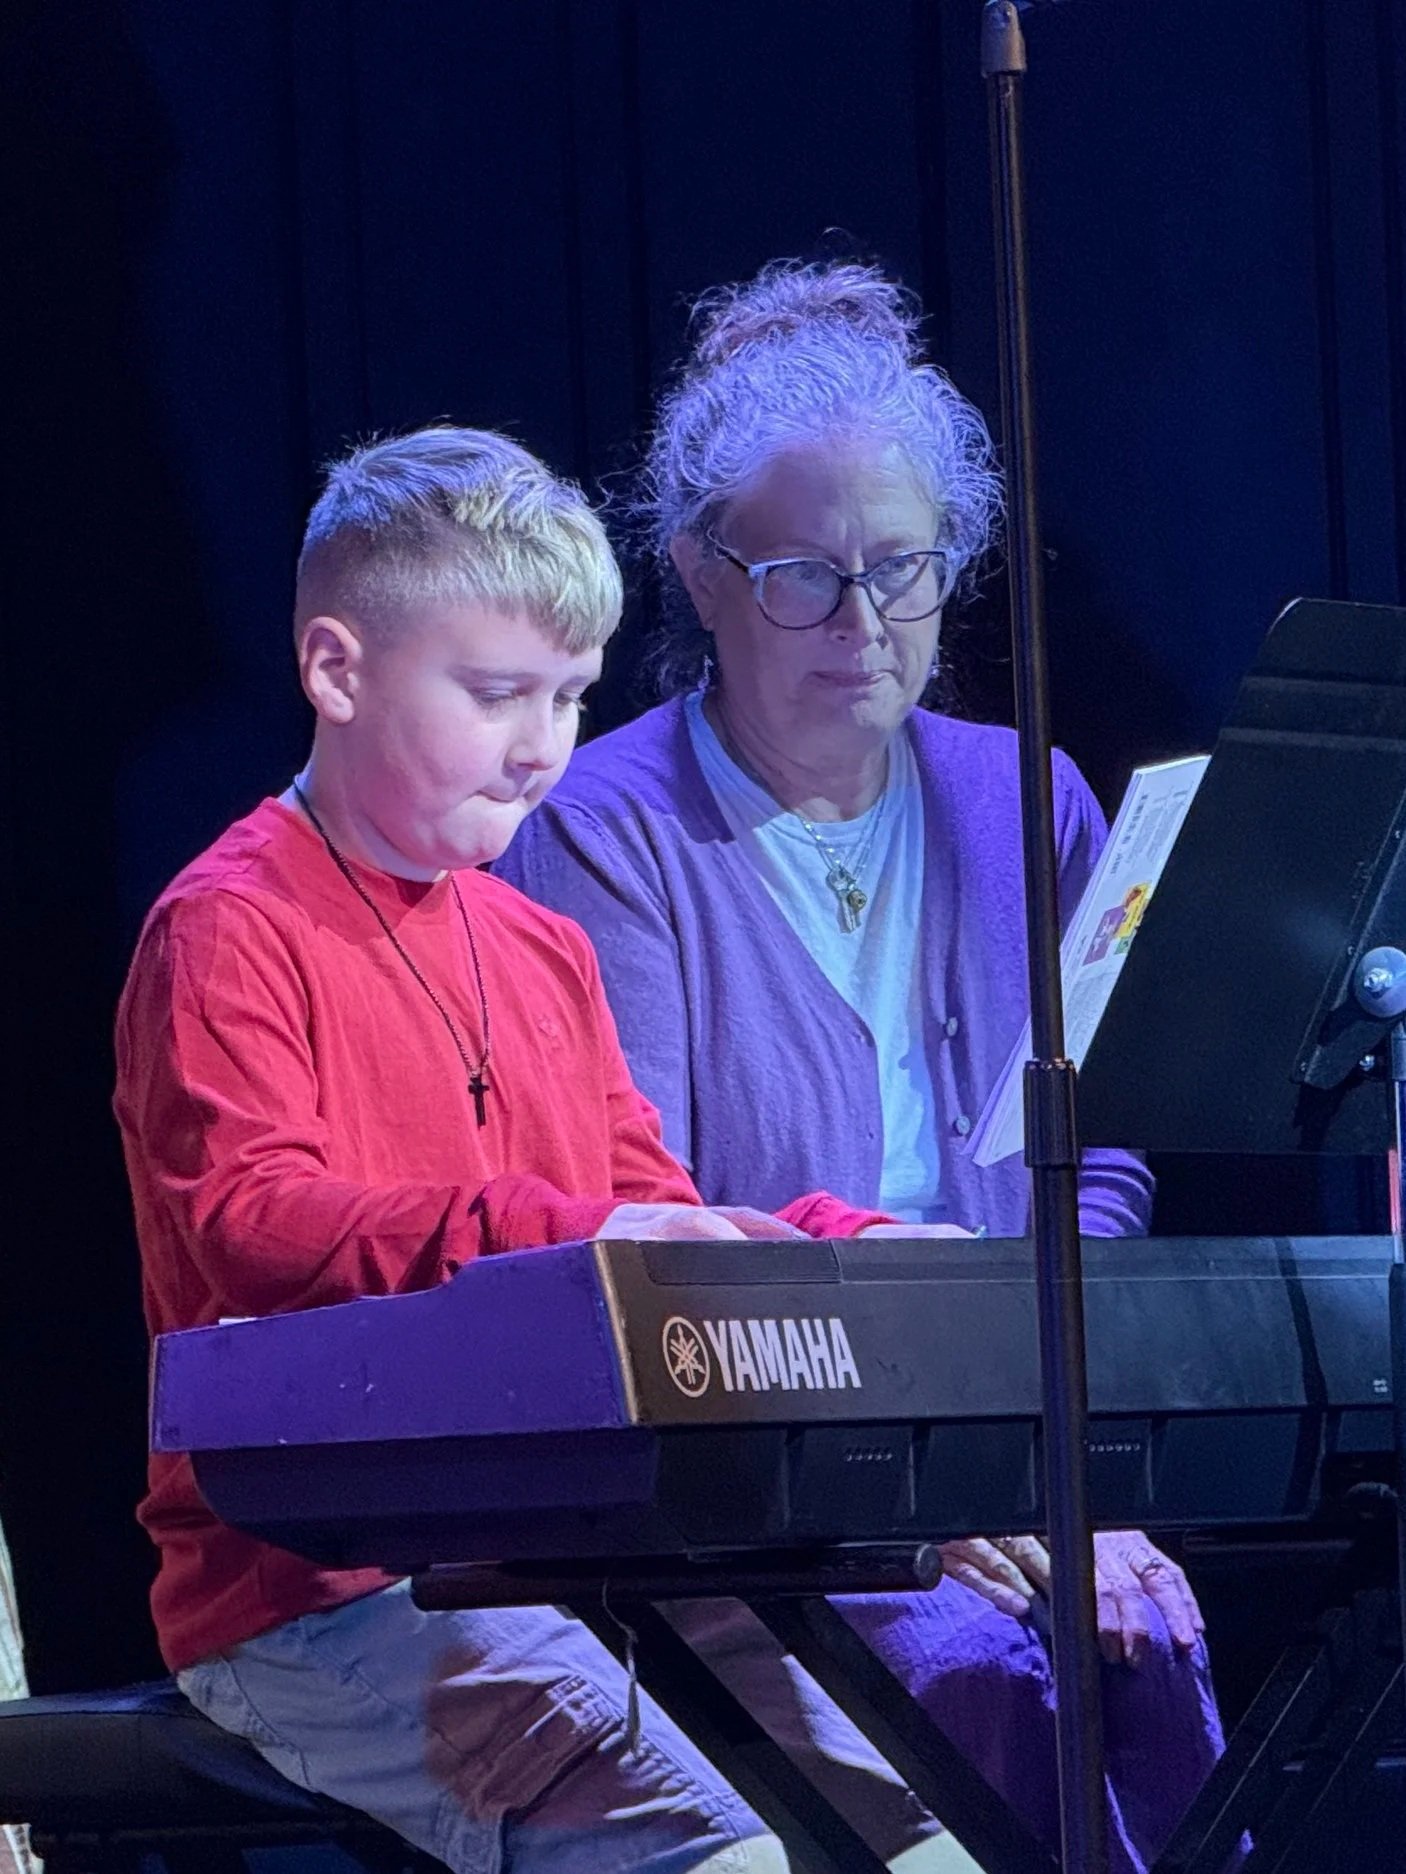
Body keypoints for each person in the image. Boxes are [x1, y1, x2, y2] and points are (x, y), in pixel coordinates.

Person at [115, 424, 991, 1874]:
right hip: (320, 1591)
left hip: (575, 1556)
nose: (544, 746)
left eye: (572, 696)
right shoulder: (229, 926)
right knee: (723, 1859)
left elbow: (646, 1210)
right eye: (496, 693)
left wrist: (838, 1249)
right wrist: (567, 1233)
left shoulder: (541, 947)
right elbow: (255, 1225)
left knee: (932, 1846)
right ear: (336, 671)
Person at [497, 263, 1231, 1873]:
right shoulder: (602, 833)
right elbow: (651, 1228)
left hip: (1012, 1435)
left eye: (900, 569)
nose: (863, 622)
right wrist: (921, 1487)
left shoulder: (1023, 798)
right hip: (757, 1477)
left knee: (1147, 1645)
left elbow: (1098, 1149)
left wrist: (1039, 1455)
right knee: (973, 1675)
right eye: (802, 579)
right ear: (701, 574)